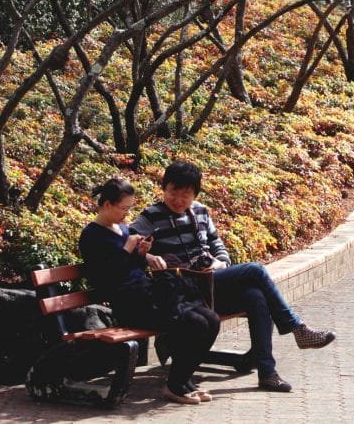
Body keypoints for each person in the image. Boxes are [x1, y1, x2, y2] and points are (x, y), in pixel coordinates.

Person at [131, 160, 336, 393]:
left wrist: (221, 262)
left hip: (210, 282)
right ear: (164, 189)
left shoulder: (200, 211)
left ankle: (267, 373)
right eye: (172, 192)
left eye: (185, 194)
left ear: (195, 193)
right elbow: (126, 244)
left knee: (256, 296)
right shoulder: (150, 216)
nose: (178, 200)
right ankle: (296, 328)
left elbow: (217, 245)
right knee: (255, 270)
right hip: (183, 289)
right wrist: (147, 257)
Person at [79, 177, 220, 405]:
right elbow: (106, 278)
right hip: (128, 304)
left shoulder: (122, 229)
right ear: (107, 205)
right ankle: (176, 385)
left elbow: (131, 268)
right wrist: (127, 250)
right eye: (123, 208)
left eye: (129, 208)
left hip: (147, 295)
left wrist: (143, 254)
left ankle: (182, 380)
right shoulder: (92, 236)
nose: (126, 215)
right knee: (197, 324)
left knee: (211, 318)